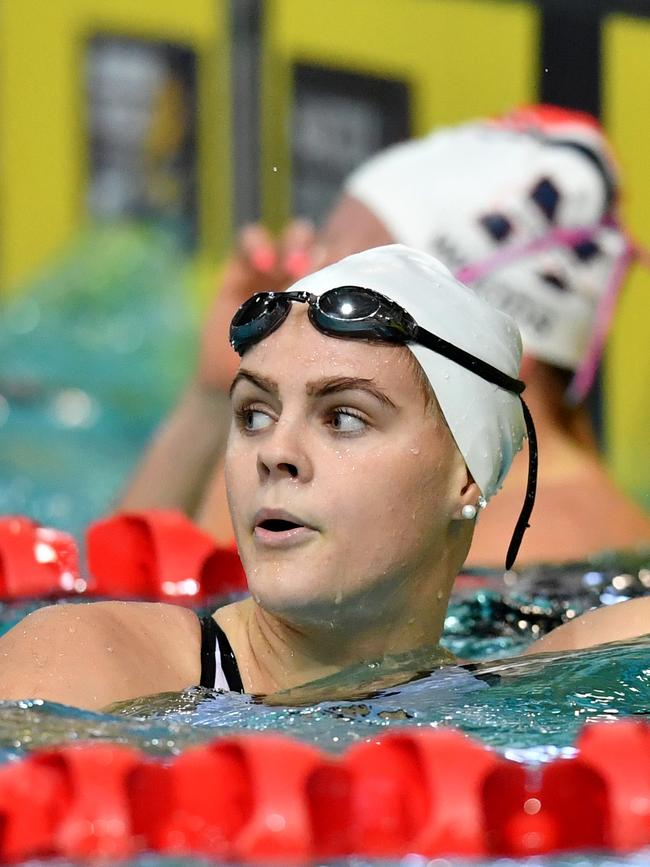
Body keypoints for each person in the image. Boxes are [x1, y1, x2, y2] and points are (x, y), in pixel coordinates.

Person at [1, 245, 649, 712]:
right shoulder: (87, 666)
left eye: (343, 417)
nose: (275, 452)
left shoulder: (538, 685)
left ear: (466, 478)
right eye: (254, 413)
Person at [120, 105, 650, 566]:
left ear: (497, 345)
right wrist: (216, 393)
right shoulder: (407, 507)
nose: (300, 297)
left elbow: (204, 633)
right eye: (317, 263)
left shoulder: (544, 548)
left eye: (351, 290)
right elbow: (119, 607)